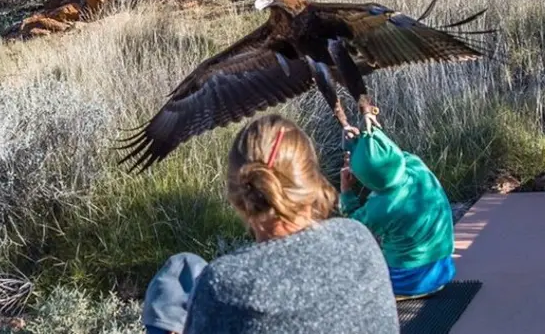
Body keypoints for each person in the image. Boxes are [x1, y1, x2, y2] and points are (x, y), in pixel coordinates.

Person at [142, 114, 400, 334]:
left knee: (180, 274)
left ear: (236, 197)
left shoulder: (224, 285)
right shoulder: (358, 239)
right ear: (313, 180)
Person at [339, 126, 456, 300]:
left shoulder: (382, 207)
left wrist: (346, 191)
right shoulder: (415, 164)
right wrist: (363, 143)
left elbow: (353, 227)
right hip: (443, 270)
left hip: (407, 280)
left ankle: (403, 294)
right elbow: (387, 155)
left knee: (344, 279)